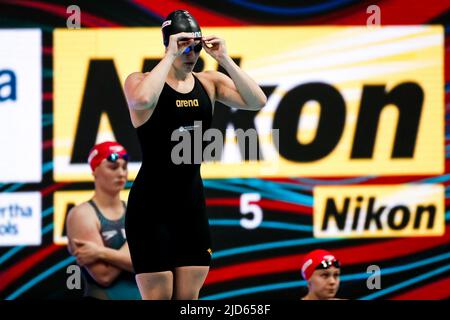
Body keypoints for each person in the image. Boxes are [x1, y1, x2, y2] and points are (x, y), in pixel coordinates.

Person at [123, 9, 267, 300]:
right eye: (183, 46)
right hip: (150, 208)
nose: (191, 53)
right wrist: (169, 55)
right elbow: (142, 100)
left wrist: (224, 58)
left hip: (190, 206)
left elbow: (257, 101)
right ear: (169, 43)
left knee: (189, 301)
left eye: (195, 46)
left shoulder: (209, 82)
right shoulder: (139, 81)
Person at [66, 141, 141, 300]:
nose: (121, 173)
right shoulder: (82, 214)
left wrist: (100, 252)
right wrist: (136, 240)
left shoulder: (136, 210)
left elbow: (160, 265)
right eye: (113, 167)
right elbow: (104, 276)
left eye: (124, 167)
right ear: (94, 170)